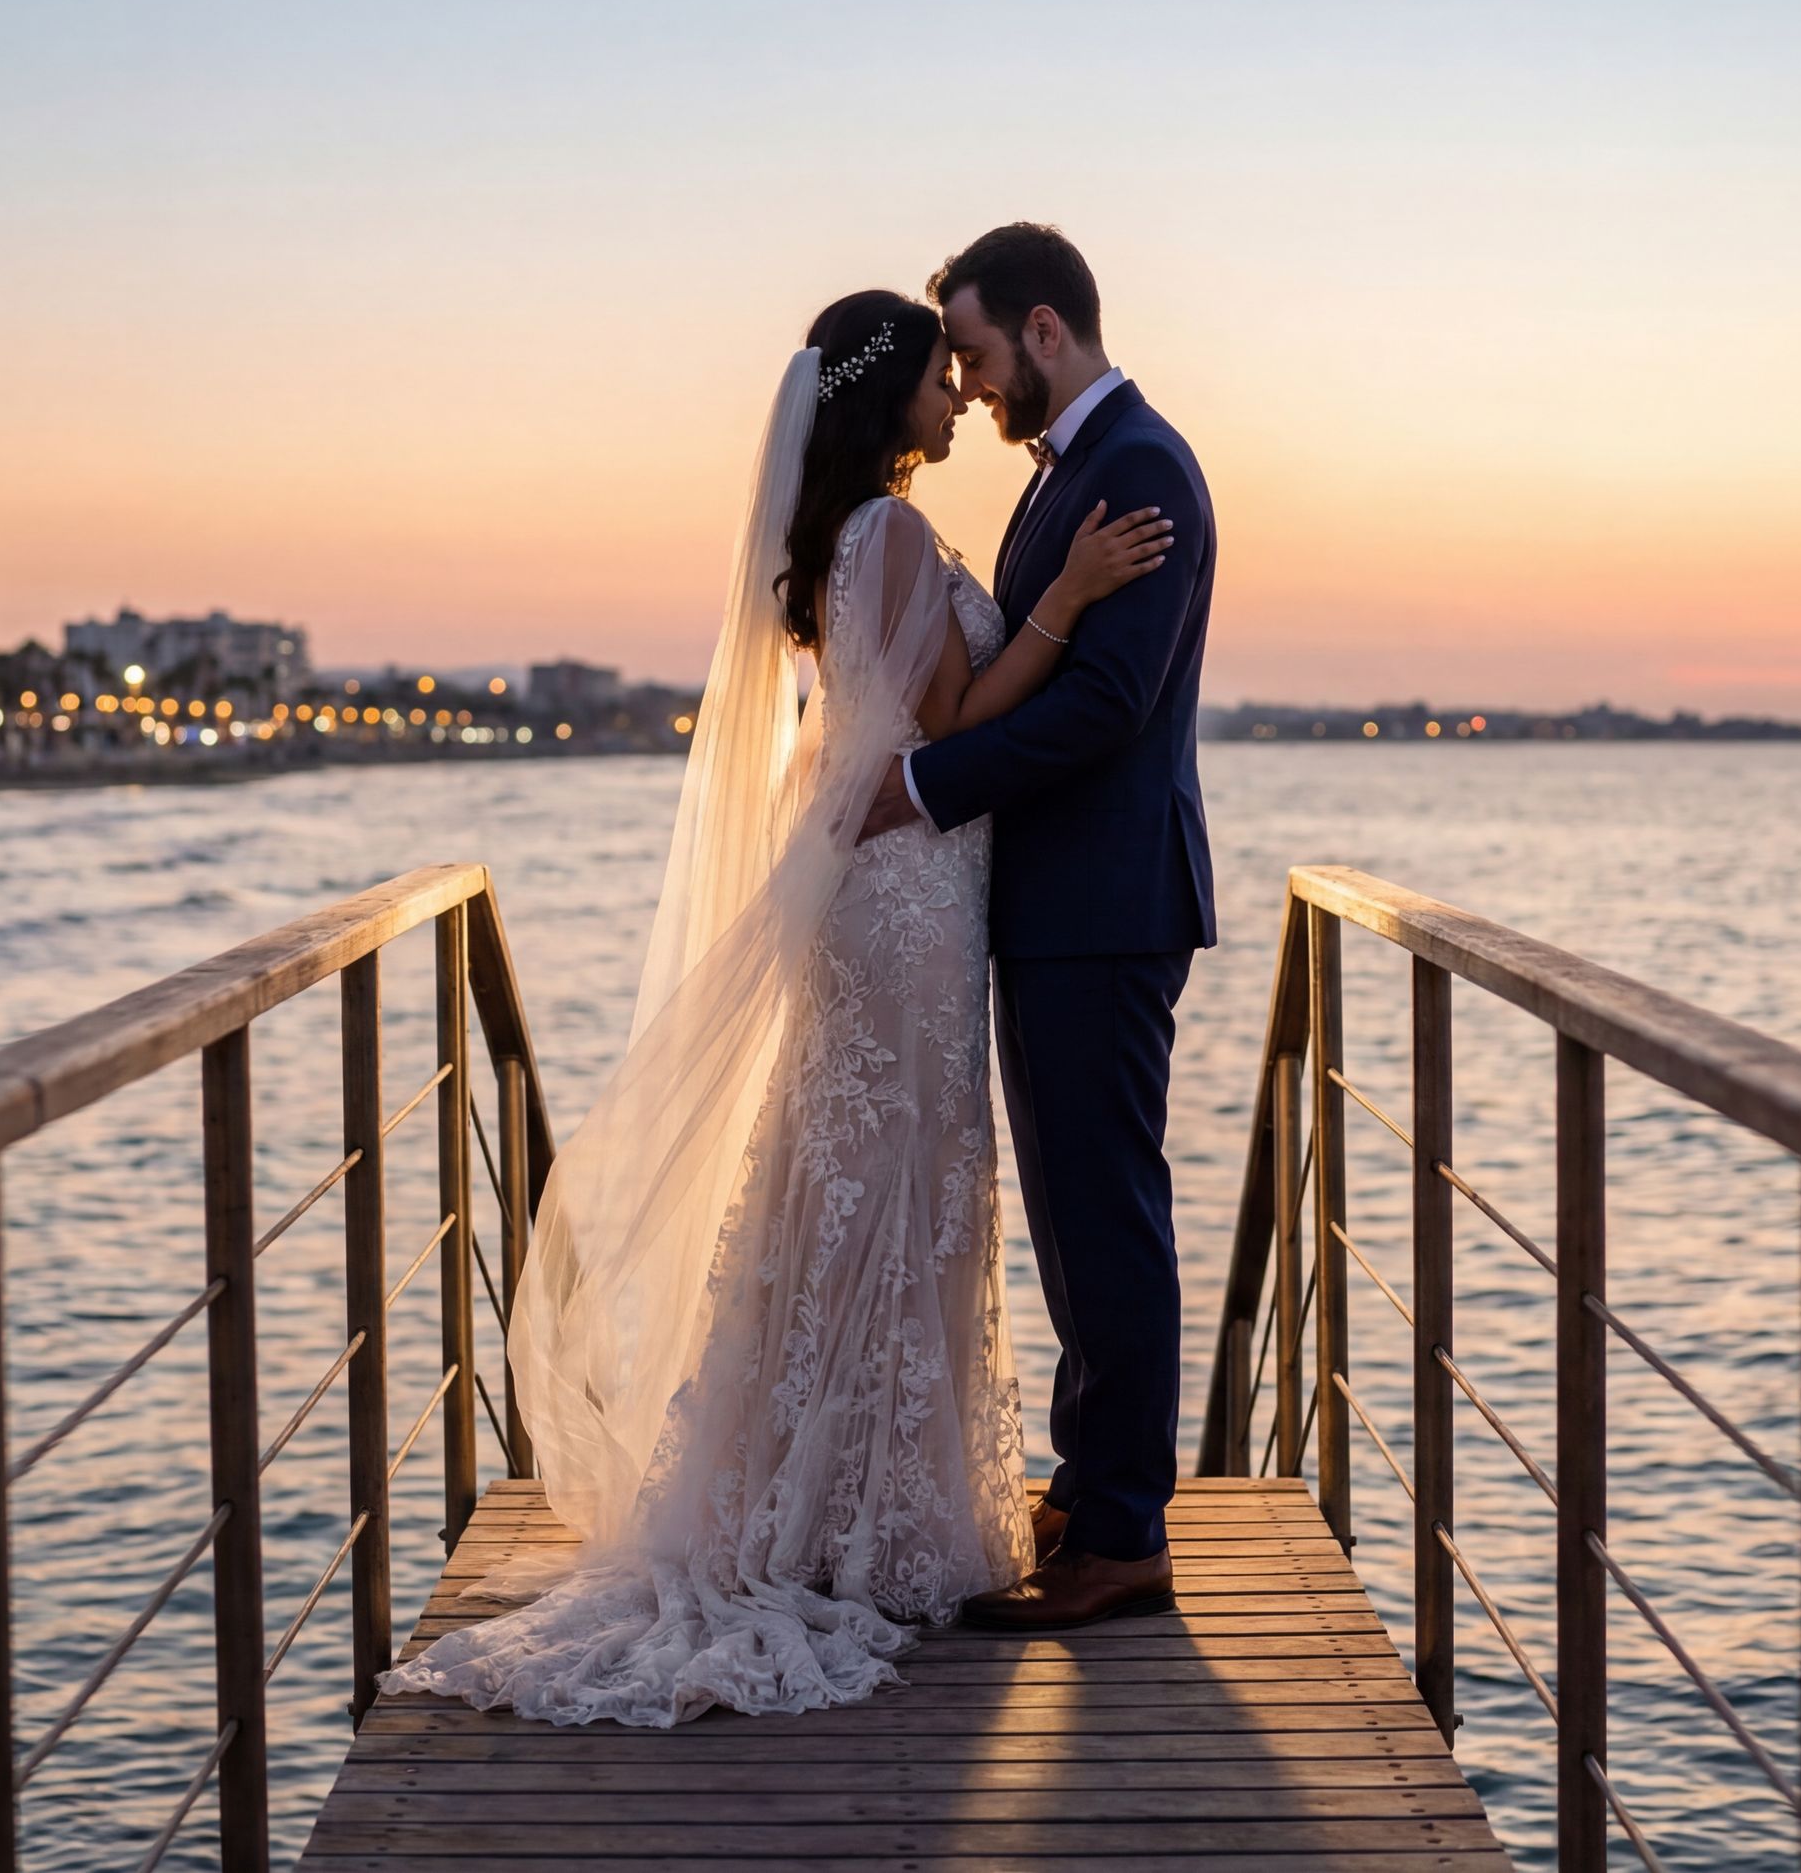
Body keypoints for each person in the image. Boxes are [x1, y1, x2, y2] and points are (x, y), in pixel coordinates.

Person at [379, 286, 1171, 1727]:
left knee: (865, 1181)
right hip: (911, 892)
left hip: (891, 888)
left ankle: (841, 1494)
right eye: (941, 377)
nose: (956, 400)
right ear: (888, 403)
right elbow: (958, 715)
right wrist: (1063, 602)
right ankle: (856, 1510)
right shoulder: (897, 532)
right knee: (895, 1182)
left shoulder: (844, 541)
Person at [860, 223, 1219, 1630]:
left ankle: (1126, 1529)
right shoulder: (1069, 477)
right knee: (1073, 1217)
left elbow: (1100, 707)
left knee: (1110, 1215)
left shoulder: (1137, 468)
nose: (970, 380)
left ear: (1049, 331)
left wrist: (918, 788)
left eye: (979, 351)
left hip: (1107, 903)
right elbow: (1027, 653)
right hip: (1054, 902)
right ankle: (1092, 1485)